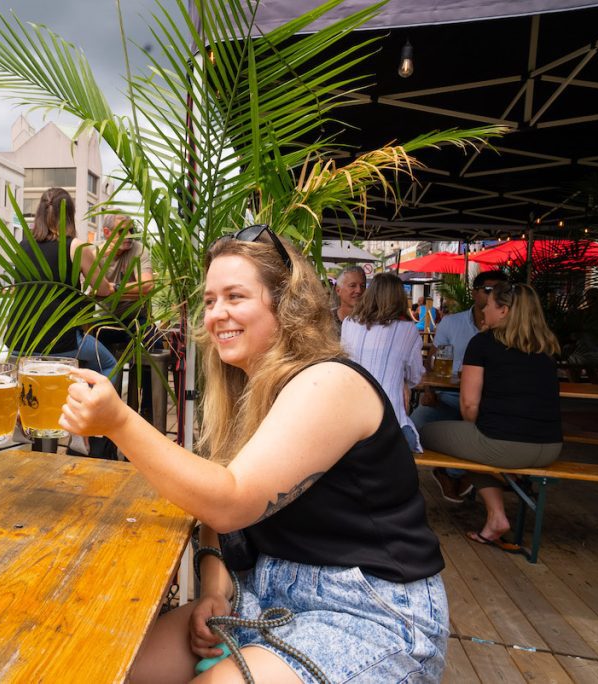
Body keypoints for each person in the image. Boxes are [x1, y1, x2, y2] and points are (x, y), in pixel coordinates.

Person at [61, 226, 447, 682]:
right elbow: (210, 509)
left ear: (286, 304)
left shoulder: (329, 383)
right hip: (263, 594)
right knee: (111, 669)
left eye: (235, 296)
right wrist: (215, 587)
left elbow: (230, 501)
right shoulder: (244, 392)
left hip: (369, 613)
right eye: (209, 301)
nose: (217, 314)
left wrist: (119, 422)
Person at [420, 283, 562, 552]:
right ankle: (496, 508)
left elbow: (469, 404)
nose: (483, 309)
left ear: (504, 310)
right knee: (475, 448)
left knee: (424, 430)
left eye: (489, 304)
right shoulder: (545, 347)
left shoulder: (484, 343)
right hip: (550, 447)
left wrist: (476, 438)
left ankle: (495, 511)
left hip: (504, 445)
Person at [7, 187, 118, 458]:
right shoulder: (74, 246)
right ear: (71, 215)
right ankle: (83, 423)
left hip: (20, 345)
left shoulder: (23, 247)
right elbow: (102, 288)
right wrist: (112, 286)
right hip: (61, 344)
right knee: (109, 364)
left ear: (39, 217)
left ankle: (26, 419)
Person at [413, 270, 507, 503]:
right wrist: (428, 391)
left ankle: (454, 472)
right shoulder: (452, 322)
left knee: (477, 430)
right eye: (489, 290)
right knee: (414, 426)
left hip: (489, 404)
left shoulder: (511, 331)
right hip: (447, 397)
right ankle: (452, 472)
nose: (495, 294)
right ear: (475, 293)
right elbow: (430, 362)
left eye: (501, 290)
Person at [341, 273, 425, 452]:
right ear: (399, 298)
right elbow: (415, 377)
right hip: (390, 423)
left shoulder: (348, 323)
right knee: (411, 439)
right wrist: (401, 382)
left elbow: (344, 364)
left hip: (350, 420)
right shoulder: (408, 330)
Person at [92, 214, 157, 421]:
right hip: (106, 320)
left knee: (151, 340)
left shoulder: (139, 249)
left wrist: (112, 289)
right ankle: (104, 413)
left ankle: (146, 411)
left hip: (137, 318)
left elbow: (147, 286)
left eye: (131, 230)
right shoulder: (94, 253)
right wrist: (131, 289)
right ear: (107, 233)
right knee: (91, 348)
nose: (129, 236)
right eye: (122, 232)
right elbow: (90, 291)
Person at [565, 287, 598, 384]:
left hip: (591, 354)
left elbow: (574, 333)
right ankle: (590, 387)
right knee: (582, 362)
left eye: (592, 298)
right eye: (588, 298)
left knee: (577, 361)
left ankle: (576, 388)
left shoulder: (583, 314)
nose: (590, 300)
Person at [329, 265, 366, 333]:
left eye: (363, 286)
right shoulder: (327, 320)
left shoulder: (372, 320)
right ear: (338, 290)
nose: (359, 290)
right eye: (352, 285)